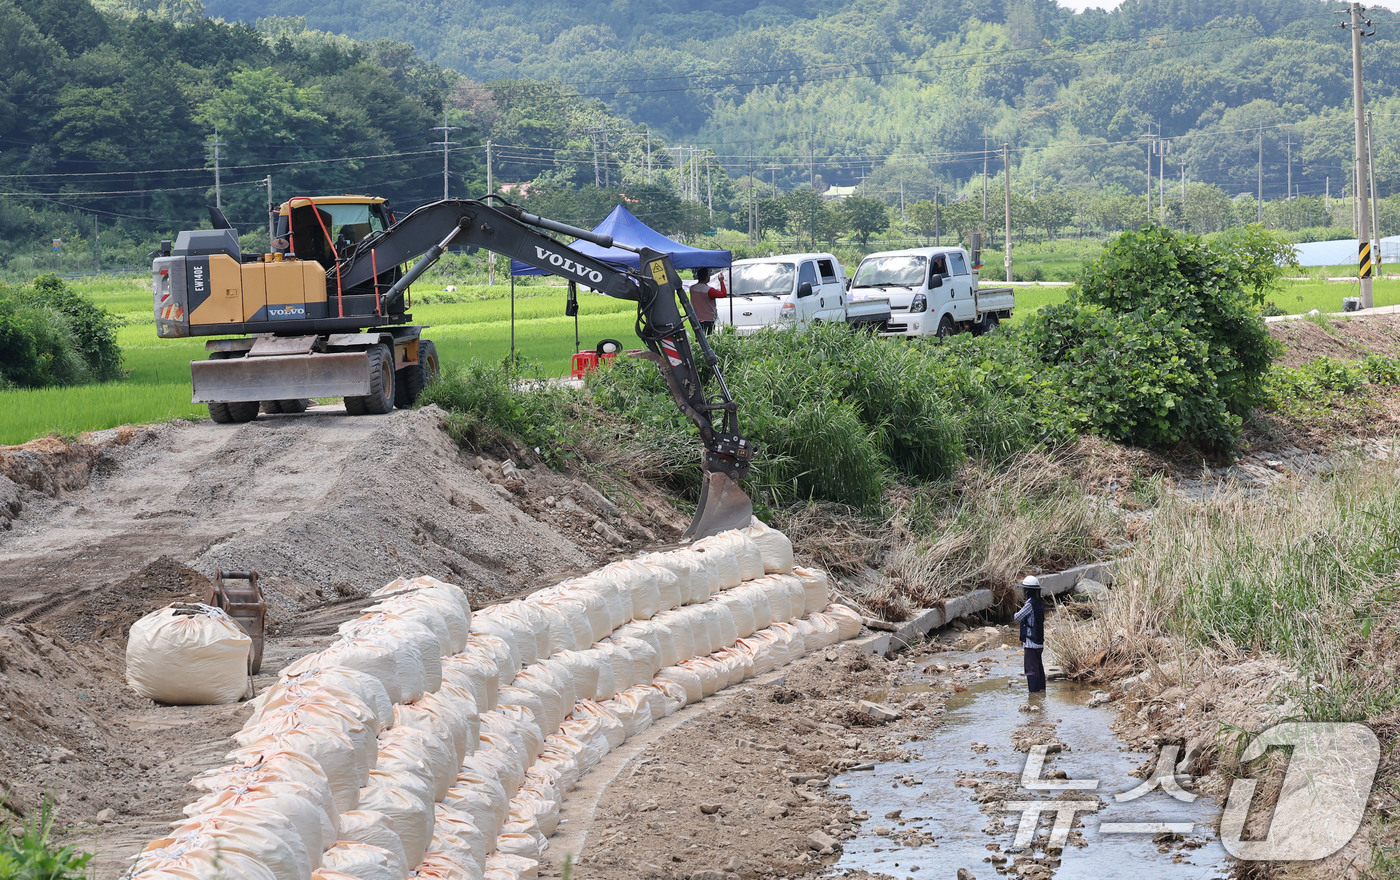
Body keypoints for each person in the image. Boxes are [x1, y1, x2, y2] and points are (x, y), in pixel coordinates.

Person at [1013, 575, 1046, 694]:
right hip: (1039, 642)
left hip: (1030, 643)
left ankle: (1034, 697)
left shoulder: (1029, 604)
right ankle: (1042, 694)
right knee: (1039, 669)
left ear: (1027, 591)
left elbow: (1017, 617)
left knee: (1031, 670)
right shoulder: (1039, 603)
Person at [688, 267, 718, 334]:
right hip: (709, 318)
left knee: (699, 336)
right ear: (707, 277)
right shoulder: (709, 290)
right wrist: (721, 281)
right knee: (709, 336)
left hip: (696, 317)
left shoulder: (692, 288)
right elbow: (723, 294)